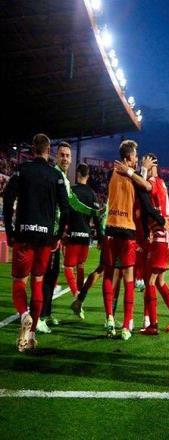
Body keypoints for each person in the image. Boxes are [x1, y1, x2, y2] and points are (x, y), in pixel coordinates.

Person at [2, 133, 69, 351]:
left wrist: (10, 231)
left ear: (32, 150)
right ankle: (31, 335)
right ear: (49, 151)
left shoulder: (22, 170)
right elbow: (65, 209)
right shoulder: (55, 175)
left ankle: (24, 315)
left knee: (19, 281)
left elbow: (7, 200)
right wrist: (57, 237)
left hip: (23, 235)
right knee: (38, 281)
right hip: (45, 238)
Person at [103, 143, 164, 340]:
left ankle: (109, 318)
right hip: (128, 229)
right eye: (135, 156)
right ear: (129, 157)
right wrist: (140, 171)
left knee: (109, 275)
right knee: (128, 277)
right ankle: (126, 326)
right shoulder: (133, 176)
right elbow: (146, 187)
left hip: (111, 228)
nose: (137, 159)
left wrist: (136, 171)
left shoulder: (111, 173)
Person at [38, 142, 100, 334]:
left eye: (67, 155)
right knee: (45, 275)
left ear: (71, 159)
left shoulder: (64, 180)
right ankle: (39, 317)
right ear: (56, 156)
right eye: (62, 155)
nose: (65, 158)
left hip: (58, 235)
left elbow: (73, 202)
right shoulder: (53, 176)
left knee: (53, 275)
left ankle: (46, 314)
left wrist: (94, 212)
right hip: (50, 233)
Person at [140, 153, 169, 335]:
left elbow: (142, 190)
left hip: (160, 235)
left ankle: (153, 325)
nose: (143, 165)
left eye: (145, 162)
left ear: (152, 164)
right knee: (159, 281)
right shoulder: (162, 183)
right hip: (165, 236)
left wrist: (142, 170)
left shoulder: (152, 182)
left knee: (150, 281)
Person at [63, 163, 101, 319]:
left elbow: (65, 212)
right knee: (80, 266)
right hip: (86, 236)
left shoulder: (71, 191)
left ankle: (76, 294)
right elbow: (96, 217)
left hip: (73, 234)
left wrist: (63, 230)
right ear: (88, 176)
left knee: (67, 266)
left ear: (77, 174)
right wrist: (100, 237)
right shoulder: (92, 194)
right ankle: (80, 299)